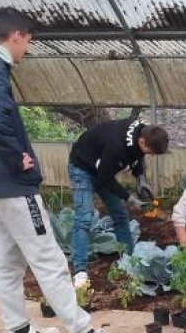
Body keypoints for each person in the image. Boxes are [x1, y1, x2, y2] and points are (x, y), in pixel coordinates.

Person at [0, 7, 132, 333]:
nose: (26, 49)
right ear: (16, 35)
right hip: (11, 182)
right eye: (28, 41)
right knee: (48, 257)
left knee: (6, 261)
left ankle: (20, 331)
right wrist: (18, 159)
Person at [68, 117, 169, 287]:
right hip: (82, 167)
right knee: (84, 218)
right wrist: (129, 198)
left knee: (120, 215)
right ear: (142, 141)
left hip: (102, 167)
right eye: (151, 151)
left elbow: (138, 156)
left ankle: (129, 261)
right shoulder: (117, 147)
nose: (150, 155)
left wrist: (140, 178)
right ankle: (80, 271)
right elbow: (105, 178)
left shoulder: (141, 133)